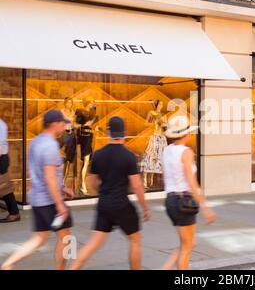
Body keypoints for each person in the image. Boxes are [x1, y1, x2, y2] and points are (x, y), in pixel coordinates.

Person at [71, 116, 150, 270]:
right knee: (135, 240)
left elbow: (92, 183)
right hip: (122, 205)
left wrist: (104, 192)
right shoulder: (128, 156)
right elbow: (137, 185)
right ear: (124, 133)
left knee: (93, 243)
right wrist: (145, 208)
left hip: (104, 205)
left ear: (108, 132)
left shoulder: (99, 154)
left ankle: (73, 268)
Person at [1, 110, 74, 270]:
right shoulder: (50, 146)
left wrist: (62, 188)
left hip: (38, 199)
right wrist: (60, 204)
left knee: (39, 239)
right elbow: (49, 177)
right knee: (68, 238)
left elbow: (41, 172)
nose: (64, 126)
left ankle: (7, 264)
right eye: (62, 123)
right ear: (54, 124)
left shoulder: (35, 142)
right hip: (50, 200)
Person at [162, 115, 215, 270]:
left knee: (188, 243)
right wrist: (205, 207)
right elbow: (192, 182)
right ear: (186, 134)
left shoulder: (166, 151)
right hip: (183, 201)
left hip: (170, 201)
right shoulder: (186, 152)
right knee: (187, 246)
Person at [0, 117, 20, 223]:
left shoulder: (1, 125)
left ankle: (14, 213)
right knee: (4, 187)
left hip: (1, 158)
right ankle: (14, 212)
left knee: (5, 187)